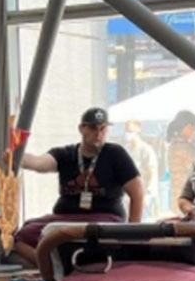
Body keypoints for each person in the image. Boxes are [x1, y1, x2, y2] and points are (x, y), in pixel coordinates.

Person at [13, 107, 143, 266]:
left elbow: (137, 192)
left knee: (86, 234)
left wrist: (133, 234)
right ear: (82, 128)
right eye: (93, 128)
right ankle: (51, 267)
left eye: (103, 129)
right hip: (65, 218)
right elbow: (40, 162)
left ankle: (56, 266)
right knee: (23, 235)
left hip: (104, 218)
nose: (99, 133)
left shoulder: (115, 153)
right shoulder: (66, 154)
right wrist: (17, 158)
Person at [165, 109, 195, 215]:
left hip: (179, 198)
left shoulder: (175, 144)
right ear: (189, 127)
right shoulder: (182, 147)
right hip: (185, 200)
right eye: (194, 127)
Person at [123, 119, 159, 219]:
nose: (128, 134)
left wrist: (148, 195)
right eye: (126, 131)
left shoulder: (146, 150)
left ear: (138, 130)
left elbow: (152, 174)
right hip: (127, 198)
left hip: (143, 197)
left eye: (130, 131)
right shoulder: (126, 150)